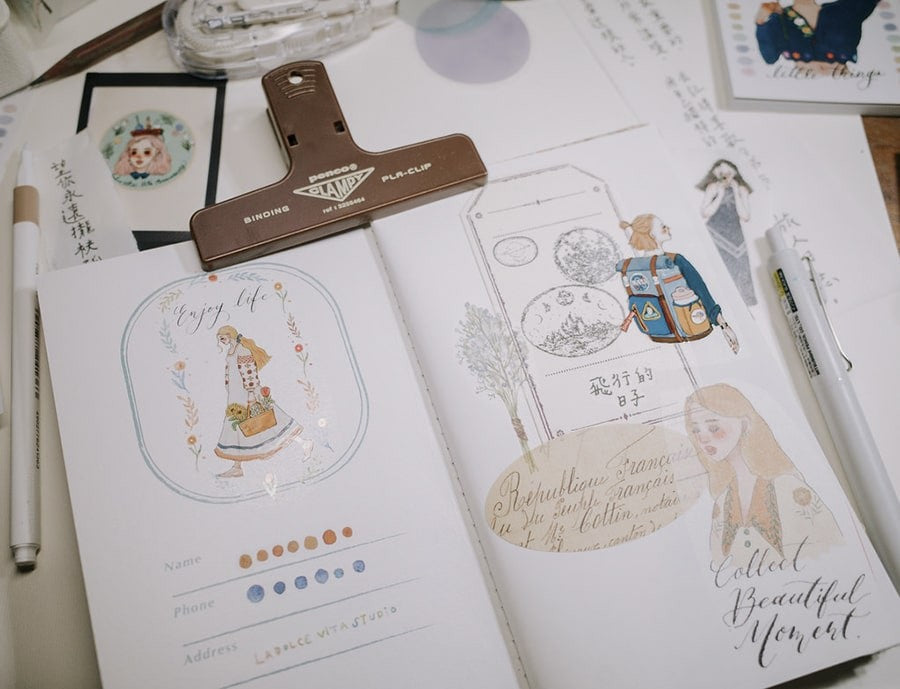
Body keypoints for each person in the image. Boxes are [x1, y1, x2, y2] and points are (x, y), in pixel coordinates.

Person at [684, 383, 841, 567]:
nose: (703, 439)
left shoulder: (789, 488)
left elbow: (833, 550)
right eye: (695, 430)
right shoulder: (721, 502)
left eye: (713, 427)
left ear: (744, 424)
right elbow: (718, 563)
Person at [619, 214, 739, 353]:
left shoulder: (630, 268)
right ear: (652, 234)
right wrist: (724, 325)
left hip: (657, 338)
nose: (668, 228)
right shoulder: (675, 260)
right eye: (663, 227)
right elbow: (701, 291)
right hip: (693, 331)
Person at [214, 325, 302, 478]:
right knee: (235, 427)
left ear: (230, 335)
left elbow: (250, 373)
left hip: (247, 392)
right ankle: (237, 467)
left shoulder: (243, 350)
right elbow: (229, 372)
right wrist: (228, 386)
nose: (221, 341)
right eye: (220, 339)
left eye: (222, 338)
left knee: (269, 419)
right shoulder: (231, 351)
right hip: (235, 394)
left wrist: (251, 393)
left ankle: (303, 442)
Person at [696, 160, 755, 306]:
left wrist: (735, 191)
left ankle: (740, 302)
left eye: (728, 172)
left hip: (735, 234)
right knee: (715, 265)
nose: (725, 176)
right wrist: (720, 193)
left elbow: (745, 216)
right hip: (715, 232)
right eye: (721, 172)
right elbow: (705, 212)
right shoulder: (713, 187)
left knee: (739, 266)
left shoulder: (741, 189)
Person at [755, 0, 880, 69]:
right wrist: (761, 22)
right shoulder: (779, 19)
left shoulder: (845, 9)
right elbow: (769, 58)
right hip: (798, 86)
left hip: (847, 85)